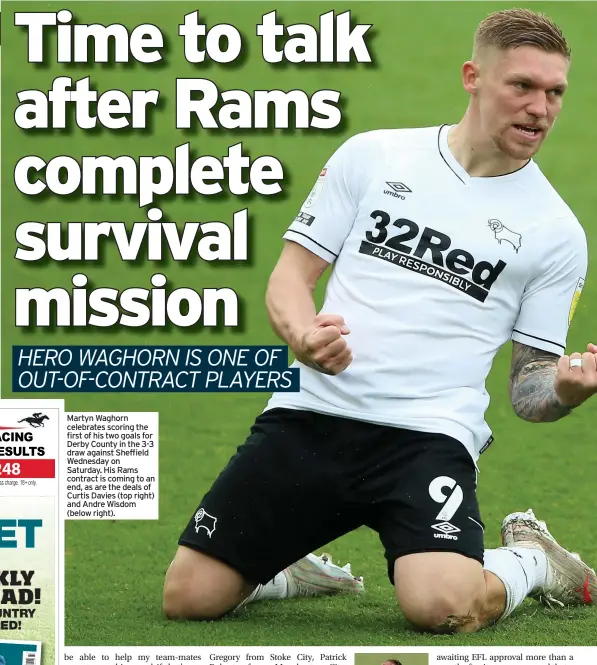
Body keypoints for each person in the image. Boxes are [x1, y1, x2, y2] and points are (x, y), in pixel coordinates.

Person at [163, 8, 597, 632]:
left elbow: (529, 391)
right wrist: (303, 336)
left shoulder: (557, 233)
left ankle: (529, 559)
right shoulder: (375, 155)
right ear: (473, 77)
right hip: (309, 416)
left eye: (555, 92)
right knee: (189, 598)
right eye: (522, 86)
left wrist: (565, 389)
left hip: (426, 436)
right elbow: (290, 277)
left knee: (442, 607)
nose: (540, 108)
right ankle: (287, 567)